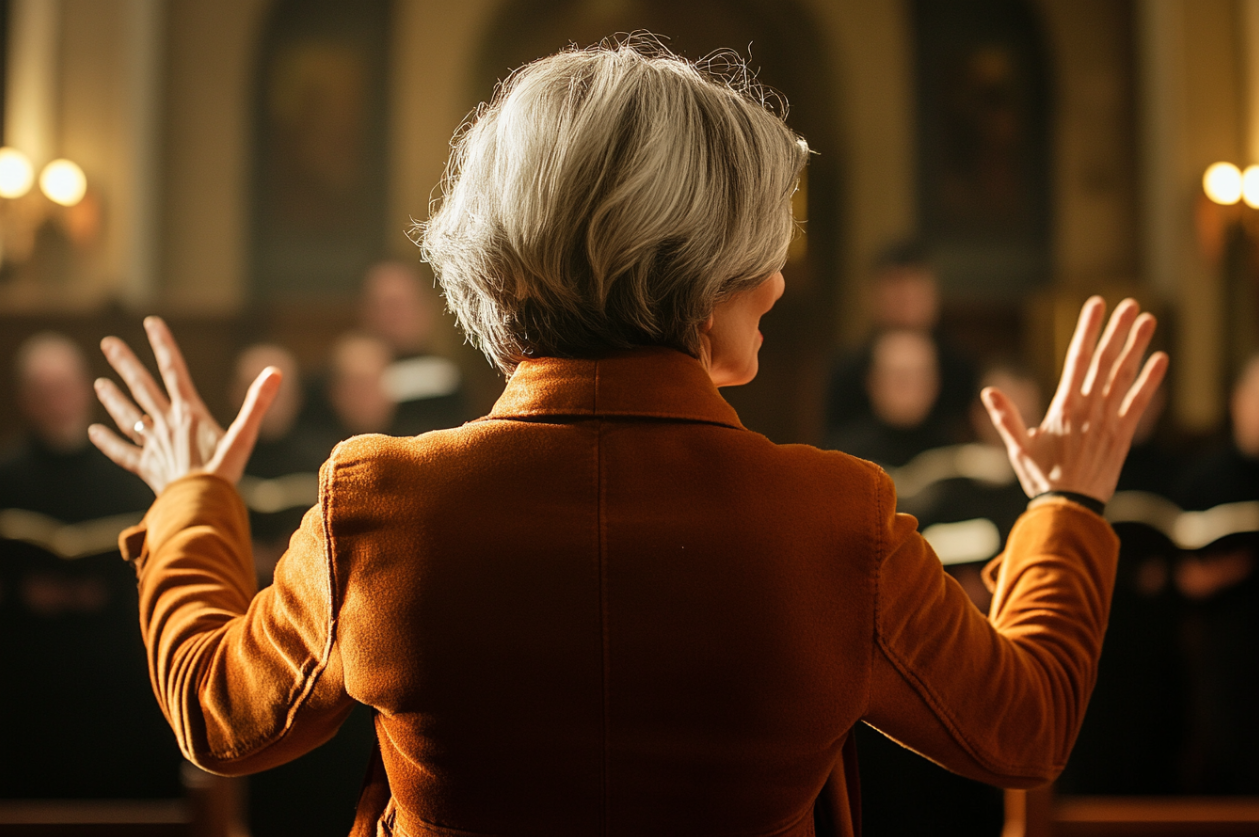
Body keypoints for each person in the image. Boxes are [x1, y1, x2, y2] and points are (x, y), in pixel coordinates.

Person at [87, 40, 1166, 836]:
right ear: (701, 283)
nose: (781, 278)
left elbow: (216, 717)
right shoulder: (835, 518)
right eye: (762, 243)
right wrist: (1064, 510)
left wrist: (189, 496)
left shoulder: (380, 503)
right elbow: (1020, 728)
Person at [0, 332, 181, 798]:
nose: (58, 401)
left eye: (65, 387)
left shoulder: (128, 477)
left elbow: (160, 568)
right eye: (44, 391)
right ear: (25, 400)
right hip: (27, 671)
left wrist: (111, 590)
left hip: (115, 669)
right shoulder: (7, 478)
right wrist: (22, 592)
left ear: (84, 390)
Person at [824, 242, 977, 440]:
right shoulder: (849, 369)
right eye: (897, 293)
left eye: (914, 292)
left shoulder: (959, 367)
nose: (906, 303)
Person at [826, 328, 951, 468]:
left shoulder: (956, 460)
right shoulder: (842, 458)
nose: (909, 388)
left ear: (936, 383)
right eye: (899, 378)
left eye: (920, 377)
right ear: (873, 383)